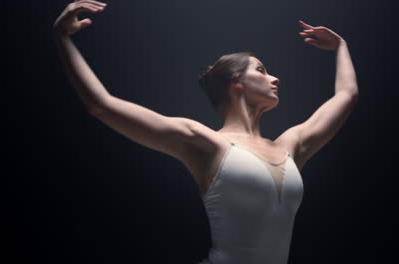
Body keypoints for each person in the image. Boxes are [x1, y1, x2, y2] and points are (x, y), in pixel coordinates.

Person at [53, 1, 359, 263]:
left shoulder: (291, 145)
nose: (275, 78)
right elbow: (102, 105)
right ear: (234, 82)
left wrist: (341, 46)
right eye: (262, 70)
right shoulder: (205, 142)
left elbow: (346, 95)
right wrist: (62, 38)